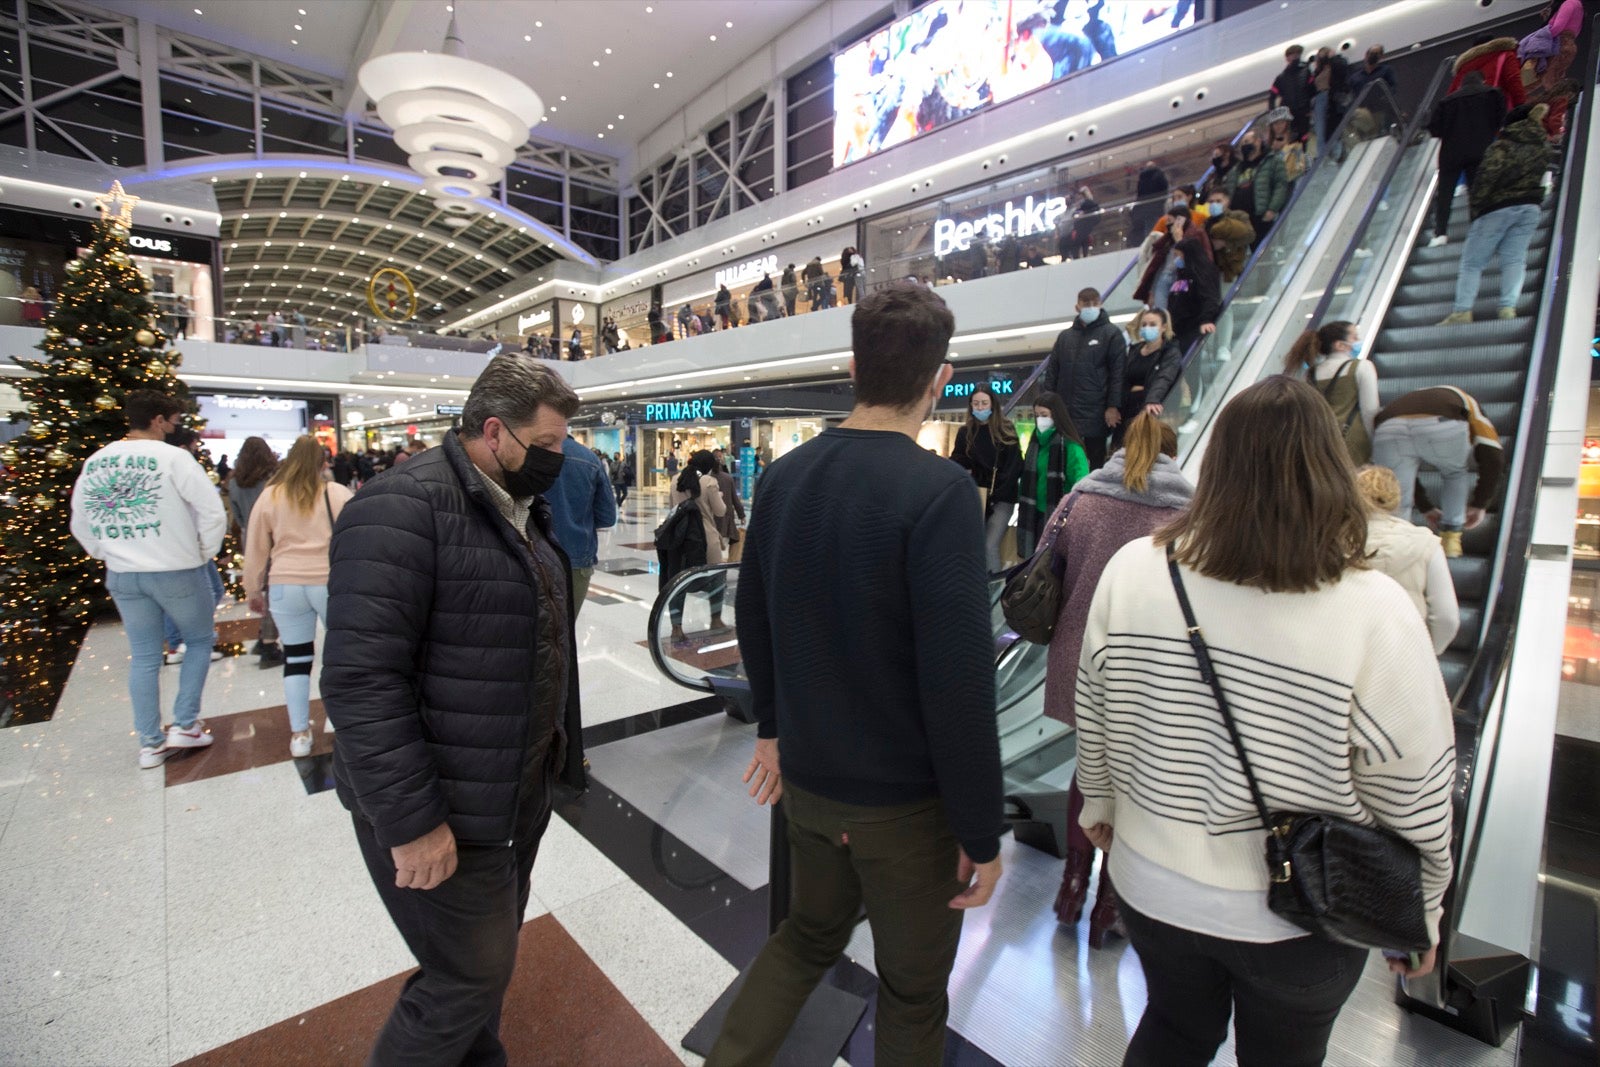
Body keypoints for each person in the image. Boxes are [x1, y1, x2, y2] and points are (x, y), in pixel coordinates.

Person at [1075, 377, 1455, 1065]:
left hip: (1150, 884)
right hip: (1302, 914)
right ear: (1328, 471)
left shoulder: (1136, 568)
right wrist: (1420, 908)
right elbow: (1414, 784)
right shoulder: (1376, 607)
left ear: (1215, 468)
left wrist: (1100, 803)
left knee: (1173, 1027)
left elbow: (1094, 706)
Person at [707, 282, 1003, 1066]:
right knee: (911, 991)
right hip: (907, 811)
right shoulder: (939, 492)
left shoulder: (783, 478)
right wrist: (980, 826)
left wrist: (770, 728)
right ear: (940, 381)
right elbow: (958, 679)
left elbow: (755, 616)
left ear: (851, 368)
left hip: (809, 788)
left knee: (805, 936)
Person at [321, 355, 585, 1065]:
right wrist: (411, 823)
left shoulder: (516, 505)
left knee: (487, 959)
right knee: (468, 972)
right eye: (551, 443)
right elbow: (360, 679)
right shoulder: (400, 508)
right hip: (442, 804)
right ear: (495, 431)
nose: (562, 458)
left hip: (512, 786)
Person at [1045, 413, 1192, 945]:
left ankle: (1071, 885)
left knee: (1090, 768)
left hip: (1076, 649)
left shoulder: (1082, 497)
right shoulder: (1188, 510)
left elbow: (1046, 559)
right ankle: (1111, 904)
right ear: (1173, 453)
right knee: (1134, 779)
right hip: (1151, 664)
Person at [69, 390, 225, 769]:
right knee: (200, 641)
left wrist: (107, 552)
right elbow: (211, 512)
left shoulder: (97, 461)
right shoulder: (174, 458)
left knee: (143, 656)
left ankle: (150, 742)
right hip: (176, 568)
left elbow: (80, 522)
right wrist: (202, 552)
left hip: (124, 573)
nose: (174, 429)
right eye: (172, 422)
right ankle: (185, 724)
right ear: (158, 420)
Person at [241, 436, 353, 757]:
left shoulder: (270, 497)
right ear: (323, 463)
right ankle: (336, 719)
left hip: (285, 585)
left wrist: (253, 589)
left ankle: (300, 734)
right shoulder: (336, 493)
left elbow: (256, 549)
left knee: (297, 658)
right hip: (330, 583)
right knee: (339, 656)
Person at [1440, 103, 1550, 325]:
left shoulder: (1501, 147)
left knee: (1473, 263)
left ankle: (1462, 312)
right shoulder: (1542, 146)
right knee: (1514, 260)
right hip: (1529, 207)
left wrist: (1476, 208)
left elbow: (1485, 178)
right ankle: (1507, 308)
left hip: (1496, 208)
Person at [1371, 386, 1504, 559]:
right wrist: (1480, 503)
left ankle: (1397, 549)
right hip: (1442, 424)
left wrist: (1425, 507)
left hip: (1387, 428)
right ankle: (1451, 540)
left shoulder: (1404, 400)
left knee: (1396, 489)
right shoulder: (1468, 403)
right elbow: (1493, 455)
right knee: (1454, 473)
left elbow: (1403, 477)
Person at [1356, 465, 1460, 655]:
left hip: (1348, 654)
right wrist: (1427, 654)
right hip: (1405, 652)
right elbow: (1447, 618)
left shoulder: (1330, 542)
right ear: (1396, 499)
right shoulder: (1426, 544)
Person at [1039, 287, 1126, 470]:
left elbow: (1118, 374)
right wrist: (1047, 404)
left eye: (1094, 304)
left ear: (1100, 304)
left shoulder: (1111, 334)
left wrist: (1113, 406)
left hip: (1096, 414)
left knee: (1095, 464)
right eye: (1086, 304)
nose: (1091, 308)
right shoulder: (1065, 337)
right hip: (1066, 413)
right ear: (1077, 307)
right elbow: (1053, 371)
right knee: (1065, 463)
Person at [1425, 70, 1507, 246]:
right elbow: (1501, 119)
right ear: (1482, 80)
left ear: (1461, 83)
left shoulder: (1447, 101)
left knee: (1445, 194)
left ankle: (1440, 233)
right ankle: (1479, 231)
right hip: (1480, 150)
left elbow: (1435, 129)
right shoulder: (1492, 94)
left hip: (1451, 153)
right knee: (1477, 192)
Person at [1284, 320, 1378, 465]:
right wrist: (1374, 442)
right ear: (1339, 345)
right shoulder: (1362, 367)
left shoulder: (1310, 374)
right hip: (1353, 441)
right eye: (1354, 337)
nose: (1358, 341)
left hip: (1319, 442)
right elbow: (1370, 411)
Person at [544, 434, 619, 615]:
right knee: (565, 630)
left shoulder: (525, 452)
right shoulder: (589, 459)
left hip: (533, 554)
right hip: (576, 557)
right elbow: (607, 516)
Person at [950, 387, 1023, 573]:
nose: (980, 407)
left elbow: (1015, 466)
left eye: (984, 403)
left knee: (990, 546)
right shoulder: (965, 432)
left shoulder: (1005, 430)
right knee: (973, 547)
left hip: (1001, 497)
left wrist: (997, 493)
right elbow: (958, 460)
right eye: (976, 403)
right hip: (976, 496)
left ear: (992, 404)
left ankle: (995, 593)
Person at [227, 437, 284, 667]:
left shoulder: (234, 482)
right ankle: (269, 643)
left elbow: (237, 515)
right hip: (272, 537)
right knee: (274, 590)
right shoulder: (273, 481)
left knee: (261, 586)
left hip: (248, 536)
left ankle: (264, 636)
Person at [1016, 392, 1088, 559]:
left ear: (1056, 415)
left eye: (1044, 415)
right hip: (1034, 512)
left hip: (1058, 514)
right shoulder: (1035, 443)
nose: (1040, 420)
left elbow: (1082, 481)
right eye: (1037, 415)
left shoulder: (1070, 445)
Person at [667, 450, 728, 641]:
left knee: (678, 583)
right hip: (706, 539)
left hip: (680, 539)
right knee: (717, 578)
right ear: (709, 466)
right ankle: (716, 619)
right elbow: (720, 512)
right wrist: (719, 495)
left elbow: (672, 508)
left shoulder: (676, 479)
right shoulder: (709, 482)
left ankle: (676, 628)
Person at [1202, 189, 1255, 363]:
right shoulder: (1206, 222)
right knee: (1210, 306)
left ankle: (1224, 345)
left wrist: (1226, 243)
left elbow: (1249, 235)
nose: (1214, 204)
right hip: (1209, 270)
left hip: (1228, 267)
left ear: (1227, 201)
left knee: (1224, 306)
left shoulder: (1238, 216)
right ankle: (1208, 345)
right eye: (1211, 201)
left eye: (1218, 200)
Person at [1118, 309, 1184, 438]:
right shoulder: (1134, 351)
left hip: (1151, 410)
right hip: (1127, 411)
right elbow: (1123, 379)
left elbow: (1164, 377)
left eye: (1153, 324)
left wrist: (1153, 399)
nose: (1147, 328)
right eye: (1144, 325)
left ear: (1164, 327)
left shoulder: (1170, 352)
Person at [1225, 130, 1288, 240]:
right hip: (1241, 221)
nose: (1244, 145)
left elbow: (1280, 185)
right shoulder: (1236, 170)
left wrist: (1272, 209)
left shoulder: (1273, 160)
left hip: (1261, 217)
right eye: (1242, 144)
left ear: (1258, 141)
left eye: (1247, 141)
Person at [1449, 35, 1527, 109]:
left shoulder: (1463, 67)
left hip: (1470, 115)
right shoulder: (1505, 55)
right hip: (1500, 111)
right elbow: (1513, 80)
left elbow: (1451, 97)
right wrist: (1521, 105)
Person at [1267, 44, 1315, 143]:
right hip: (1289, 114)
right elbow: (1272, 96)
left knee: (1303, 138)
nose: (1296, 58)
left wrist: (1310, 108)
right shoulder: (1281, 78)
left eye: (1298, 55)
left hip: (1303, 111)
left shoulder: (1306, 71)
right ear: (1287, 58)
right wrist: (1276, 114)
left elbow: (1312, 90)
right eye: (1293, 55)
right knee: (1291, 138)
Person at [1311, 45, 1350, 154]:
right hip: (1319, 97)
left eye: (1324, 53)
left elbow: (1343, 68)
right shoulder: (1318, 71)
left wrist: (1333, 56)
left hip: (1331, 96)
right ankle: (1323, 155)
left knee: (1334, 126)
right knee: (1321, 130)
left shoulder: (1335, 64)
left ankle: (1337, 152)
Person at [712, 452, 746, 561]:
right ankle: (722, 570)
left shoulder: (706, 479)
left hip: (711, 519)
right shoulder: (728, 478)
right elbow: (735, 499)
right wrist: (742, 515)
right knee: (724, 547)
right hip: (726, 519)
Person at [1130, 162, 1169, 245]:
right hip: (1156, 207)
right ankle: (1153, 244)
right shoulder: (1159, 175)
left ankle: (1144, 244)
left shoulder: (1142, 178)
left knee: (1144, 230)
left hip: (1143, 209)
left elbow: (1140, 194)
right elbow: (1164, 190)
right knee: (1154, 227)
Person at [1060, 186, 1099, 260]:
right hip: (1080, 229)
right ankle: (1077, 257)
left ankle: (1081, 257)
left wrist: (1082, 213)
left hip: (1085, 228)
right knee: (1077, 246)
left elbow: (1092, 211)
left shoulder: (1088, 203)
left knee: (1083, 245)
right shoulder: (1079, 205)